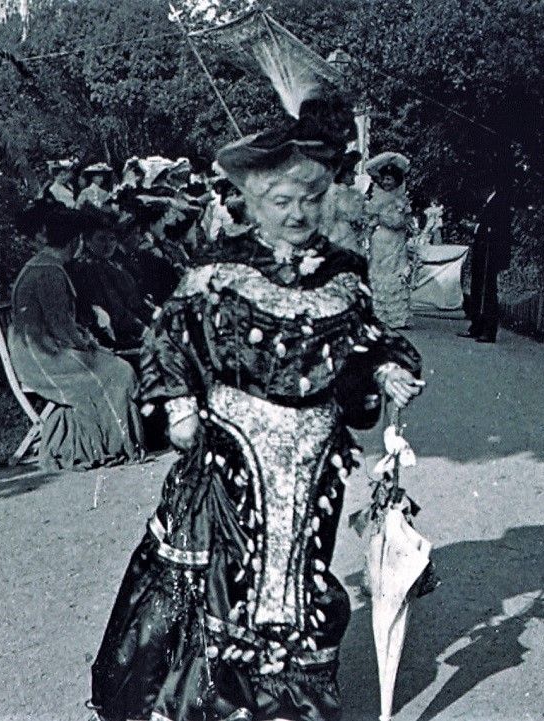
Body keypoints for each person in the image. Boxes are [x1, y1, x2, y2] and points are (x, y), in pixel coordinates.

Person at [90, 92, 425, 721]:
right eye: (281, 202)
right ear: (253, 204)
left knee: (302, 577)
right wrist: (180, 404)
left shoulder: (343, 271)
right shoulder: (220, 268)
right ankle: (222, 702)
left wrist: (385, 370)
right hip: (231, 458)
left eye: (309, 199)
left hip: (314, 463)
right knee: (228, 579)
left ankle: (289, 703)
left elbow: (363, 340)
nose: (297, 214)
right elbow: (169, 337)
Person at [7, 198, 144, 471]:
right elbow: (62, 328)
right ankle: (111, 444)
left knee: (114, 364)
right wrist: (89, 346)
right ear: (74, 241)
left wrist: (88, 343)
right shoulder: (49, 272)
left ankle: (104, 440)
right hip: (42, 356)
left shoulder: (46, 265)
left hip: (43, 348)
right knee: (118, 370)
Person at [65, 210, 151, 354]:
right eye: (101, 239)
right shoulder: (88, 268)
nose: (108, 245)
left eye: (112, 239)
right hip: (116, 339)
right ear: (87, 240)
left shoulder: (113, 263)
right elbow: (116, 311)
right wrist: (144, 331)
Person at [460, 178, 514, 343]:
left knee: (488, 291)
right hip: (483, 253)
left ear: (487, 187)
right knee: (478, 288)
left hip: (490, 254)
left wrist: (474, 228)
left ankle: (488, 330)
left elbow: (496, 229)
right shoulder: (489, 203)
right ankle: (477, 326)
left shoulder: (499, 203)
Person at [365, 152, 414, 329]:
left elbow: (404, 222)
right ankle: (379, 314)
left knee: (396, 273)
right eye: (384, 179)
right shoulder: (377, 197)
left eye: (390, 179)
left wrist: (401, 217)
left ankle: (397, 316)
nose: (386, 183)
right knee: (379, 273)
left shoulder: (402, 198)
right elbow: (372, 221)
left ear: (396, 181)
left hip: (397, 240)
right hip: (380, 240)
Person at [322, 150, 366, 255]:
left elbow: (359, 215)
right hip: (336, 233)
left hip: (350, 234)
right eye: (350, 173)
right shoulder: (333, 191)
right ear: (342, 175)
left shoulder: (354, 193)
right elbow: (328, 215)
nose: (354, 175)